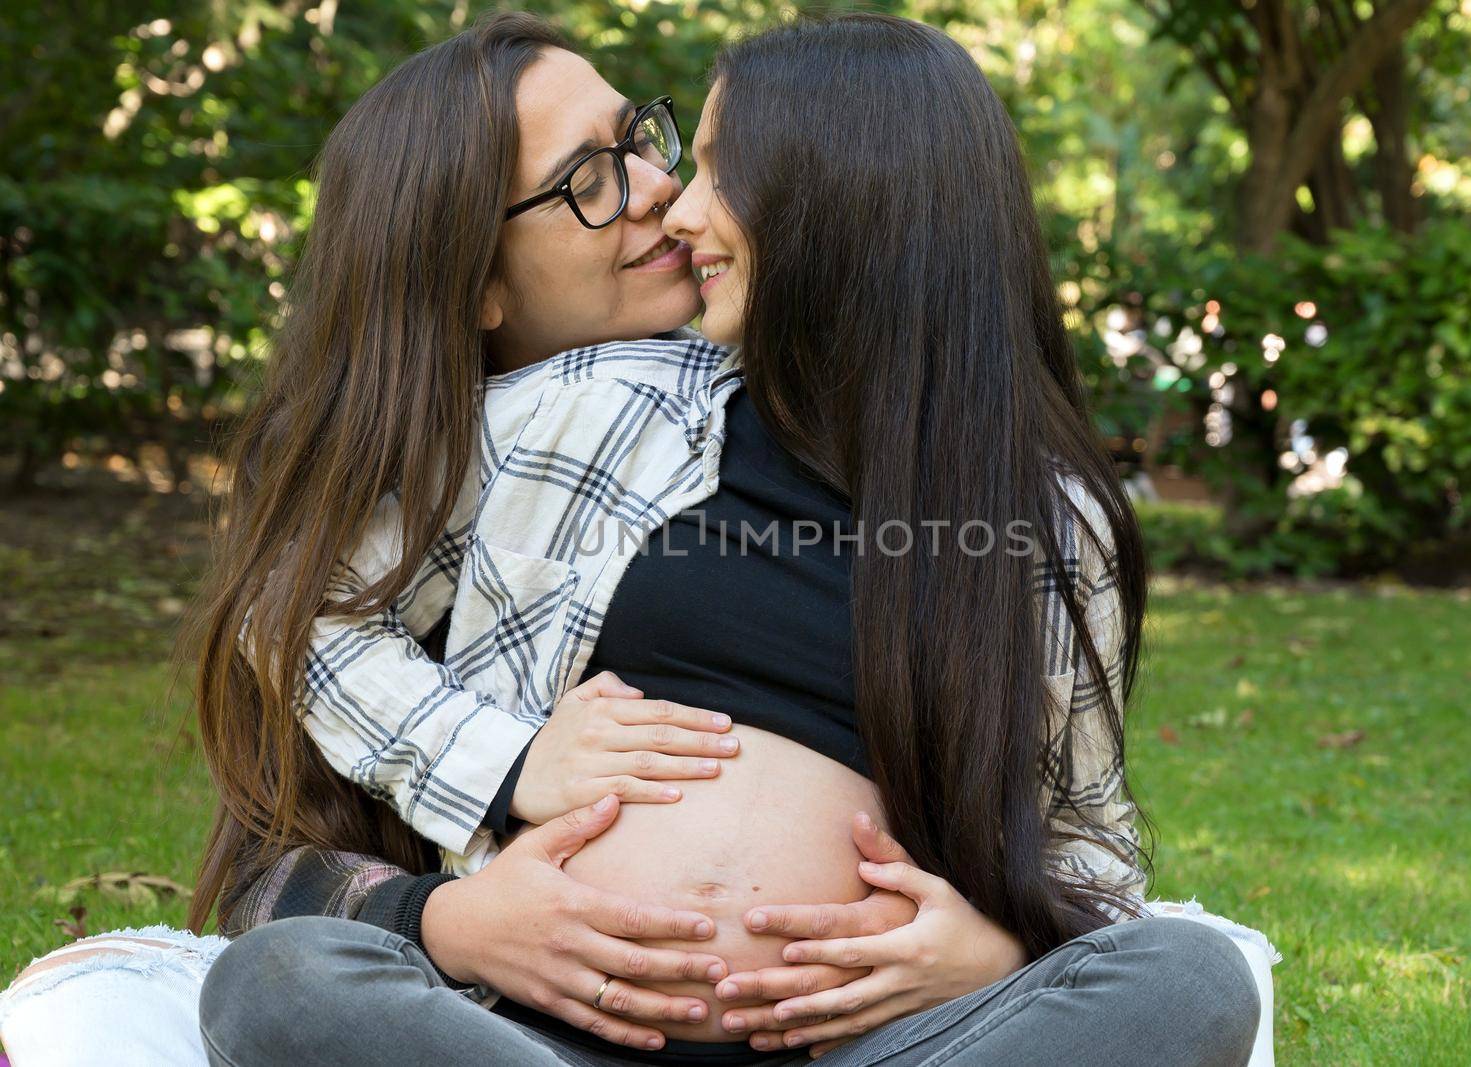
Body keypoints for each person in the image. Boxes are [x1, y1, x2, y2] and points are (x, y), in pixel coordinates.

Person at [0, 12, 1277, 1067]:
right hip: (544, 1035)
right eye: (611, 173)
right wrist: (499, 776)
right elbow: (304, 603)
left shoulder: (1041, 521)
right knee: (278, 983)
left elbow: (1085, 828)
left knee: (1191, 976)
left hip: (879, 1043)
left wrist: (1002, 948)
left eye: (694, 159)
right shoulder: (591, 404)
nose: (673, 201)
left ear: (838, 205)